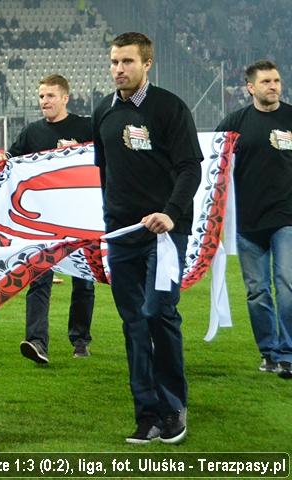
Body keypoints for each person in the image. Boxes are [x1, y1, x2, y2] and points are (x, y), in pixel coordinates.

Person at [92, 32, 202, 445]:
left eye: (127, 62)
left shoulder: (169, 108)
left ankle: (173, 406)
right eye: (114, 62)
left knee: (159, 312)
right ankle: (147, 413)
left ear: (147, 64)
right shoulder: (103, 111)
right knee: (134, 324)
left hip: (165, 235)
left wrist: (170, 214)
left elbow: (191, 167)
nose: (119, 69)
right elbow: (105, 175)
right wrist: (107, 223)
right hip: (121, 236)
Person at [0, 74, 96, 363]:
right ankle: (37, 342)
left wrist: (77, 152)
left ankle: (80, 340)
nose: (45, 101)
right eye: (42, 96)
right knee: (39, 277)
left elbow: (104, 159)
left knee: (84, 280)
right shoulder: (32, 132)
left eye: (50, 96)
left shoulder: (85, 127)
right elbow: (10, 162)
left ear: (65, 98)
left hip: (80, 217)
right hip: (44, 220)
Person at [216, 60, 292, 379]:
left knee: (287, 284)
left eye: (276, 80)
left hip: (286, 218)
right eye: (266, 81)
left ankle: (288, 353)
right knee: (257, 292)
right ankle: (269, 352)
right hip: (248, 223)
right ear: (251, 87)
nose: (273, 86)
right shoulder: (234, 124)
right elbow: (210, 161)